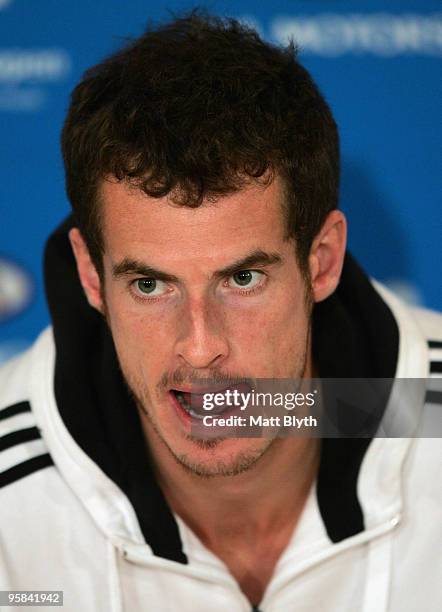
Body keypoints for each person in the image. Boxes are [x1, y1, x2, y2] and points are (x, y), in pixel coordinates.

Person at [0, 12, 441, 612]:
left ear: (323, 262)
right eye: (151, 285)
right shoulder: (10, 508)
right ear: (90, 276)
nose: (201, 345)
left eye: (242, 278)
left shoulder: (425, 422)